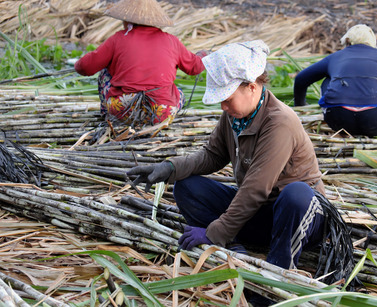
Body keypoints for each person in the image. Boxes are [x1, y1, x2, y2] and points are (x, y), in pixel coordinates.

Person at [126, 40, 354, 297]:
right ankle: (236, 245)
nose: (223, 106)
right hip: (261, 213)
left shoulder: (279, 123)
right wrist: (168, 168)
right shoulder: (234, 116)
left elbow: (256, 188)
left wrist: (213, 233)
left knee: (296, 194)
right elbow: (211, 156)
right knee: (187, 186)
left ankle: (276, 278)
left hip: (299, 218)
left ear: (252, 87)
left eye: (227, 98)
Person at [74, 0, 206, 126]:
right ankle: (158, 123)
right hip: (161, 113)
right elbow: (195, 67)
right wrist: (203, 54)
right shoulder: (172, 41)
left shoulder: (118, 38)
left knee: (104, 73)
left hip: (123, 111)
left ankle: (107, 116)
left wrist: (78, 64)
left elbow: (85, 67)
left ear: (128, 21)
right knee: (178, 92)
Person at [293, 24, 377, 137]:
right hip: (376, 122)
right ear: (373, 44)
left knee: (330, 79)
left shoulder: (335, 57)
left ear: (347, 42)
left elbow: (300, 80)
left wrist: (300, 107)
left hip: (338, 120)